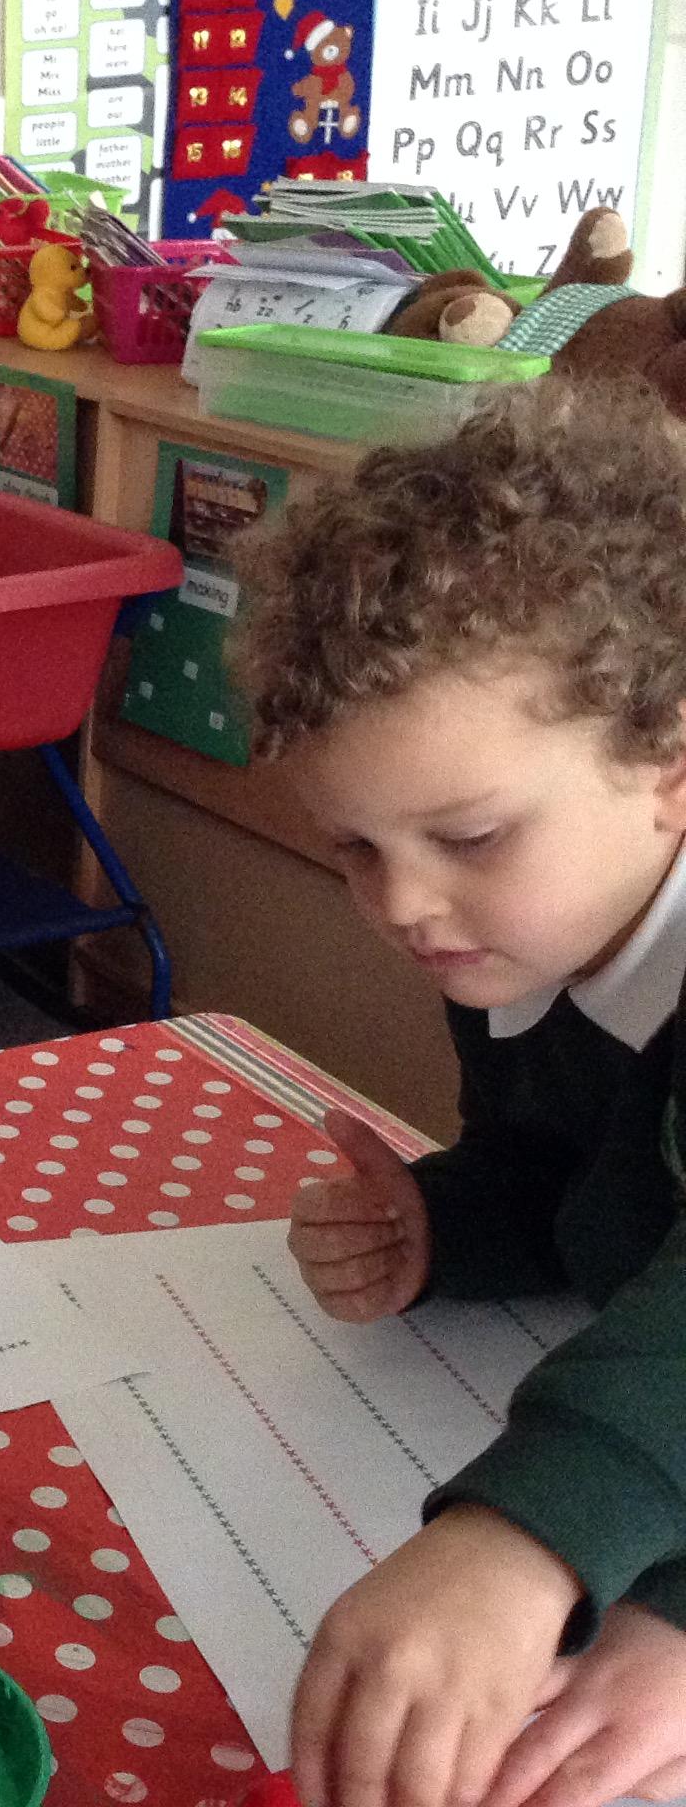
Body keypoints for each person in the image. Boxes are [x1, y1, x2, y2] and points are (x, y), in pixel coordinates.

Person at [230, 382, 686, 1807]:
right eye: (358, 848)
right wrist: (450, 1227)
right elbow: (582, 1187)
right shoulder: (522, 949)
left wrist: (528, 1537)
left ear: (670, 773)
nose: (406, 905)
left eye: (471, 836)